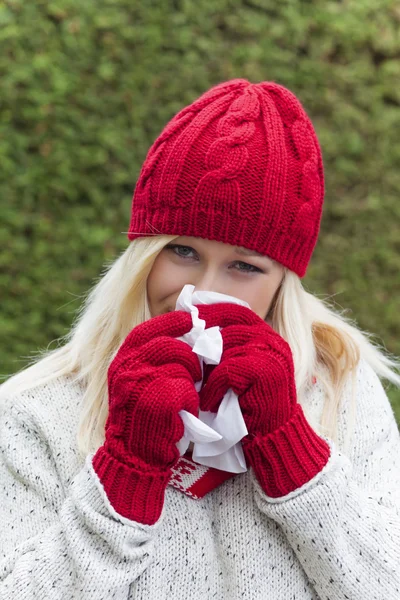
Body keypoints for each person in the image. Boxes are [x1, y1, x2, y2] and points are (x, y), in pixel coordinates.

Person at [1, 79, 399, 600]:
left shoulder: (340, 389)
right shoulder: (36, 411)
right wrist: (125, 472)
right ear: (144, 252)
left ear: (282, 281)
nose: (203, 291)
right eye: (183, 251)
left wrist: (292, 451)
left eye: (244, 266)